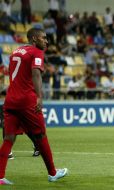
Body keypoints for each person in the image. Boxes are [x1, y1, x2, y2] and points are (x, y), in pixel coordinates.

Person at [0, 28, 68, 185]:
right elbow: (36, 73)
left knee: (8, 138)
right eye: (43, 38)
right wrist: (39, 96)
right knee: (41, 136)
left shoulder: (16, 52)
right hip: (26, 100)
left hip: (10, 100)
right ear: (35, 38)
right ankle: (52, 173)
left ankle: (0, 176)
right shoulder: (36, 52)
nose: (46, 41)